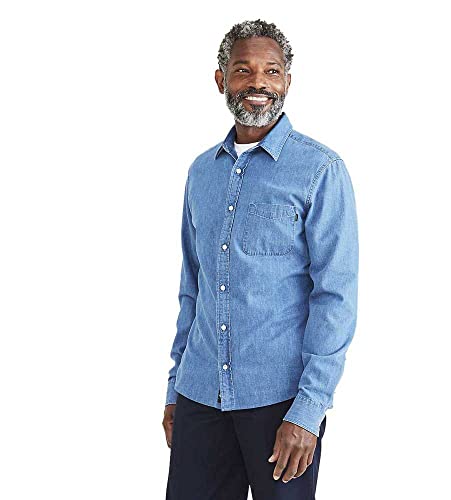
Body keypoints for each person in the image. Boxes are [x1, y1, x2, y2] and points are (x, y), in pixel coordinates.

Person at [162, 19, 359, 500]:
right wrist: (174, 388)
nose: (258, 82)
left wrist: (309, 411)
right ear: (221, 79)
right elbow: (192, 288)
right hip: (199, 394)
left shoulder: (320, 170)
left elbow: (335, 296)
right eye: (243, 69)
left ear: (287, 81)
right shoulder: (200, 173)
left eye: (272, 71)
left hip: (280, 404)